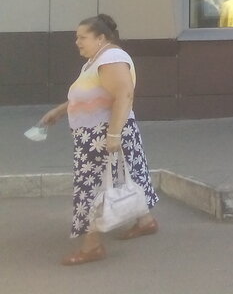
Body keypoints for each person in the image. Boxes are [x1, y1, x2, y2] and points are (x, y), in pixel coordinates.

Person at [38, 14, 159, 266]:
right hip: (101, 133)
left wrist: (113, 134)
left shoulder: (111, 59)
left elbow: (124, 95)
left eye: (82, 37)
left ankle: (92, 245)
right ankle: (145, 221)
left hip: (103, 134)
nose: (77, 42)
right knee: (128, 176)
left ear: (101, 38)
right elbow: (91, 94)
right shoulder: (96, 61)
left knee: (91, 187)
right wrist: (60, 111)